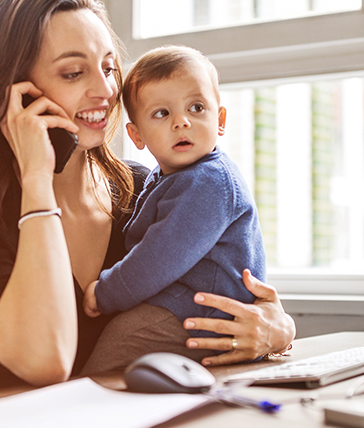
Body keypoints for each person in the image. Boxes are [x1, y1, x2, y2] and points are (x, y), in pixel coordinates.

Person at [0, 0, 295, 400]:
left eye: (108, 68)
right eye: (73, 72)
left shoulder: (141, 190)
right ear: (16, 94)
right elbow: (43, 362)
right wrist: (37, 179)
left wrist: (276, 329)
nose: (107, 91)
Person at [80, 46, 267, 373]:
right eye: (162, 113)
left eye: (196, 108)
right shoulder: (167, 177)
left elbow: (159, 256)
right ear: (137, 135)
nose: (182, 122)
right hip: (187, 308)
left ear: (220, 120)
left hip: (202, 313)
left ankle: (79, 405)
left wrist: (105, 293)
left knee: (114, 350)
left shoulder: (209, 182)